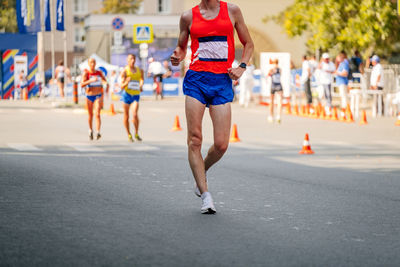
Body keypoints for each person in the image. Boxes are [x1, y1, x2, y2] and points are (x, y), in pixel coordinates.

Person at [171, 0, 254, 214]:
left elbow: (249, 44)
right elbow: (181, 47)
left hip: (222, 82)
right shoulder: (188, 16)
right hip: (196, 80)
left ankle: (202, 169)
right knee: (195, 139)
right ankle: (206, 195)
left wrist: (242, 67)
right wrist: (177, 55)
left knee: (221, 145)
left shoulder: (232, 11)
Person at [80, 58, 109, 140]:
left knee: (97, 114)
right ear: (88, 64)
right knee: (90, 115)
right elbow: (82, 84)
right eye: (91, 62)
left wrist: (105, 84)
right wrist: (91, 80)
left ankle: (98, 131)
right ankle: (90, 130)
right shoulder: (86, 73)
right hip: (89, 95)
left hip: (98, 95)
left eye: (94, 62)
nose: (92, 64)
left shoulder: (99, 73)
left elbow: (105, 81)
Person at [120, 54, 144, 142]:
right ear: (127, 60)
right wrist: (126, 82)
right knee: (126, 116)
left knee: (134, 114)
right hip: (126, 95)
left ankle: (136, 133)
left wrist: (141, 85)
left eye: (134, 58)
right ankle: (129, 134)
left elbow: (141, 79)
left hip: (136, 95)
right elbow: (121, 86)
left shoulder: (139, 70)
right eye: (130, 59)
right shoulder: (124, 71)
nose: (132, 60)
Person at [267, 59, 283, 123]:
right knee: (279, 101)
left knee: (271, 102)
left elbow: (268, 75)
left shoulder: (272, 69)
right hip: (279, 85)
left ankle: (271, 116)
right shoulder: (280, 69)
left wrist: (271, 72)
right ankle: (278, 116)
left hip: (273, 85)